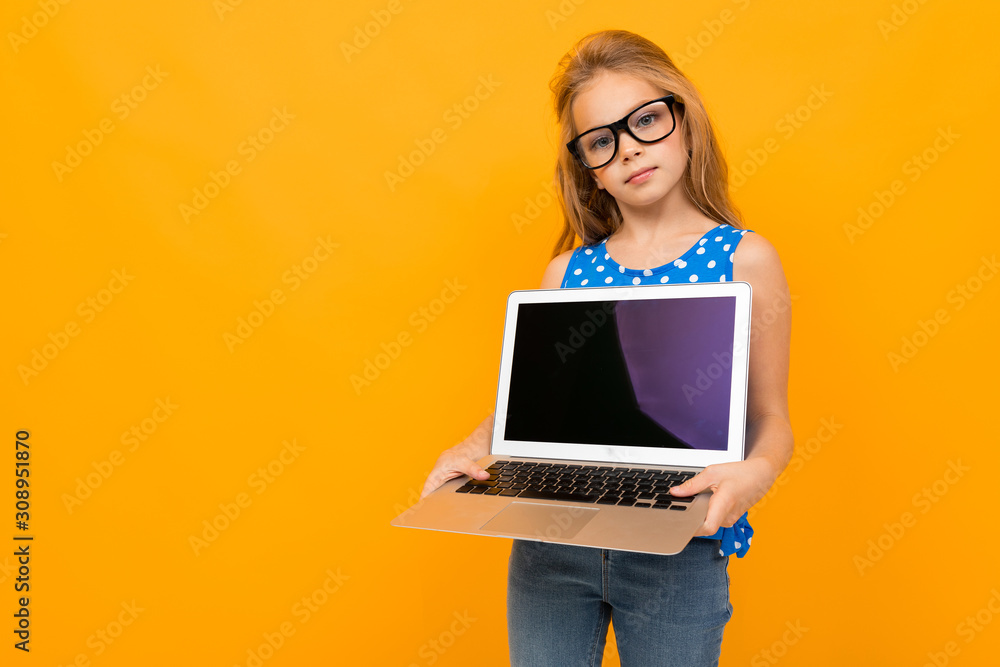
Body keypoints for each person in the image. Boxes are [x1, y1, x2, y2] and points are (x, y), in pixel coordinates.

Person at [420, 29, 793, 666]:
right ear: (586, 165)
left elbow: (771, 420)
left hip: (678, 546)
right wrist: (474, 446)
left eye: (646, 121)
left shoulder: (745, 260)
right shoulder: (568, 273)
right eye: (602, 141)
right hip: (549, 546)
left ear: (684, 118)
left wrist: (750, 479)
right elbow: (529, 414)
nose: (630, 151)